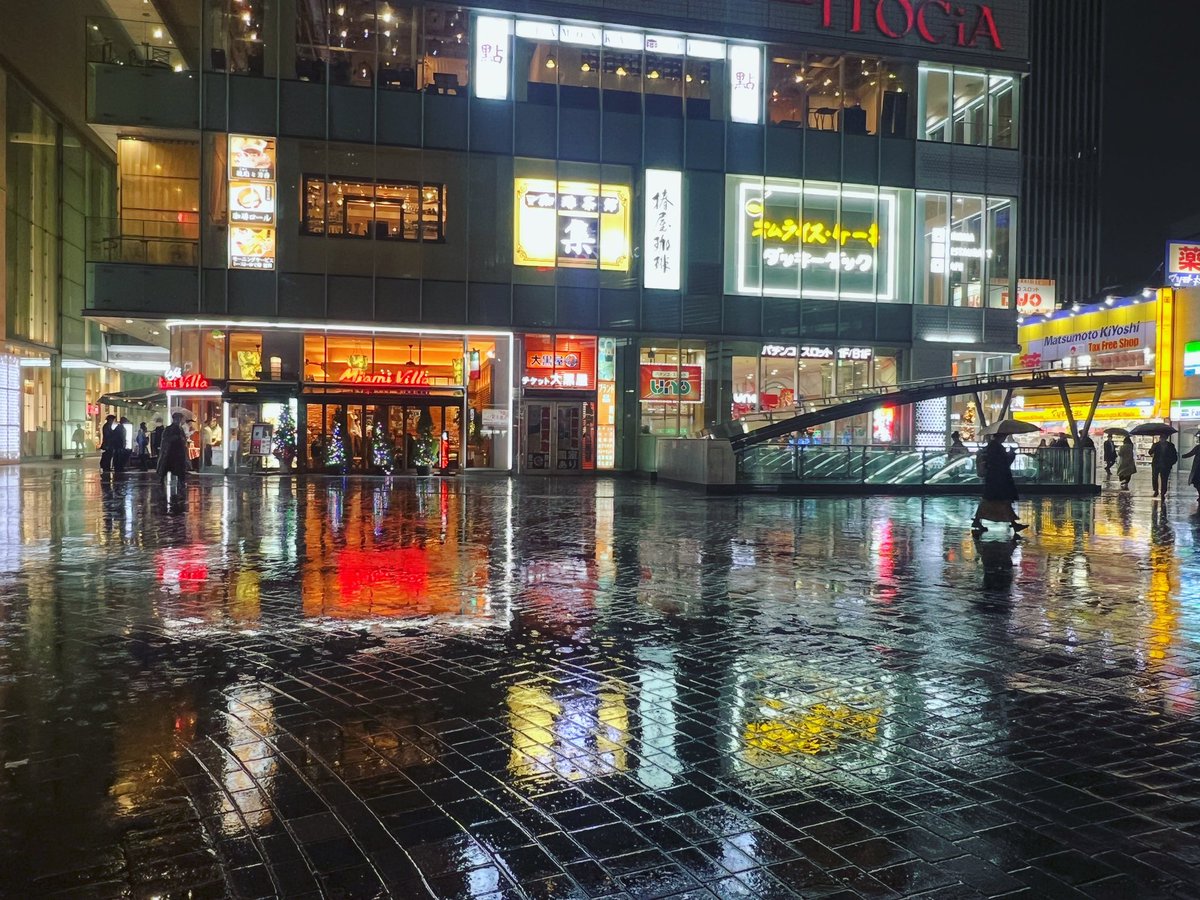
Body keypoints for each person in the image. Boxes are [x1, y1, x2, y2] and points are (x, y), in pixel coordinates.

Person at [972, 432, 1028, 534]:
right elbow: (1003, 463)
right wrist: (1011, 455)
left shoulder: (993, 446)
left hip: (994, 479)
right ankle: (1014, 525)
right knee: (1001, 501)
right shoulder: (996, 447)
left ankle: (977, 521)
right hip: (998, 479)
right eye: (1004, 436)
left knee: (994, 501)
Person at [157, 412, 191, 503]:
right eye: (177, 418)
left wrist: (183, 440)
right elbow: (165, 440)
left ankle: (181, 484)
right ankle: (161, 481)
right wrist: (175, 438)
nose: (179, 420)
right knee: (165, 468)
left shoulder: (180, 429)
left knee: (180, 471)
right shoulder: (169, 429)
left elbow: (183, 439)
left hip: (179, 453)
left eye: (180, 418)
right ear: (174, 419)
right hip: (171, 453)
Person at [1149, 435, 1179, 499]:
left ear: (1166, 438)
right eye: (1161, 438)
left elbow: (1174, 455)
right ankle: (1156, 490)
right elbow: (1150, 452)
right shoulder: (1156, 445)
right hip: (1156, 464)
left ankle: (1163, 492)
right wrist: (1153, 449)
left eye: (1163, 438)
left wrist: (1171, 463)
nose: (1162, 439)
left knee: (1164, 479)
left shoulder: (1170, 445)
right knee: (1154, 477)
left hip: (1166, 465)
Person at [1182, 436, 1200, 501]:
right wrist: (1183, 456)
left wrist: (1182, 456)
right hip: (1197, 468)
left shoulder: (1198, 447)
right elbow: (1191, 453)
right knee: (1197, 482)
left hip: (1197, 467)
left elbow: (1191, 453)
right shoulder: (1198, 447)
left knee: (1197, 482)